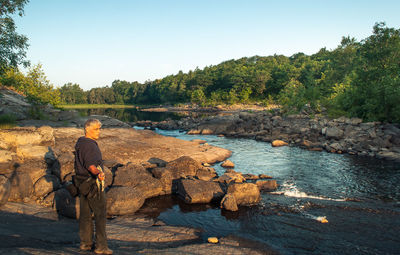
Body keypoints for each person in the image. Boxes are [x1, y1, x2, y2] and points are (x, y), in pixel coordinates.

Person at [74, 118, 113, 254]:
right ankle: (101, 247)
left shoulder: (81, 142)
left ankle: (85, 244)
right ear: (87, 129)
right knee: (100, 214)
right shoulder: (90, 145)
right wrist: (99, 173)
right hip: (92, 183)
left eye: (99, 128)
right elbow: (90, 165)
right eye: (96, 129)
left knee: (85, 214)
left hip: (81, 182)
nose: (99, 131)